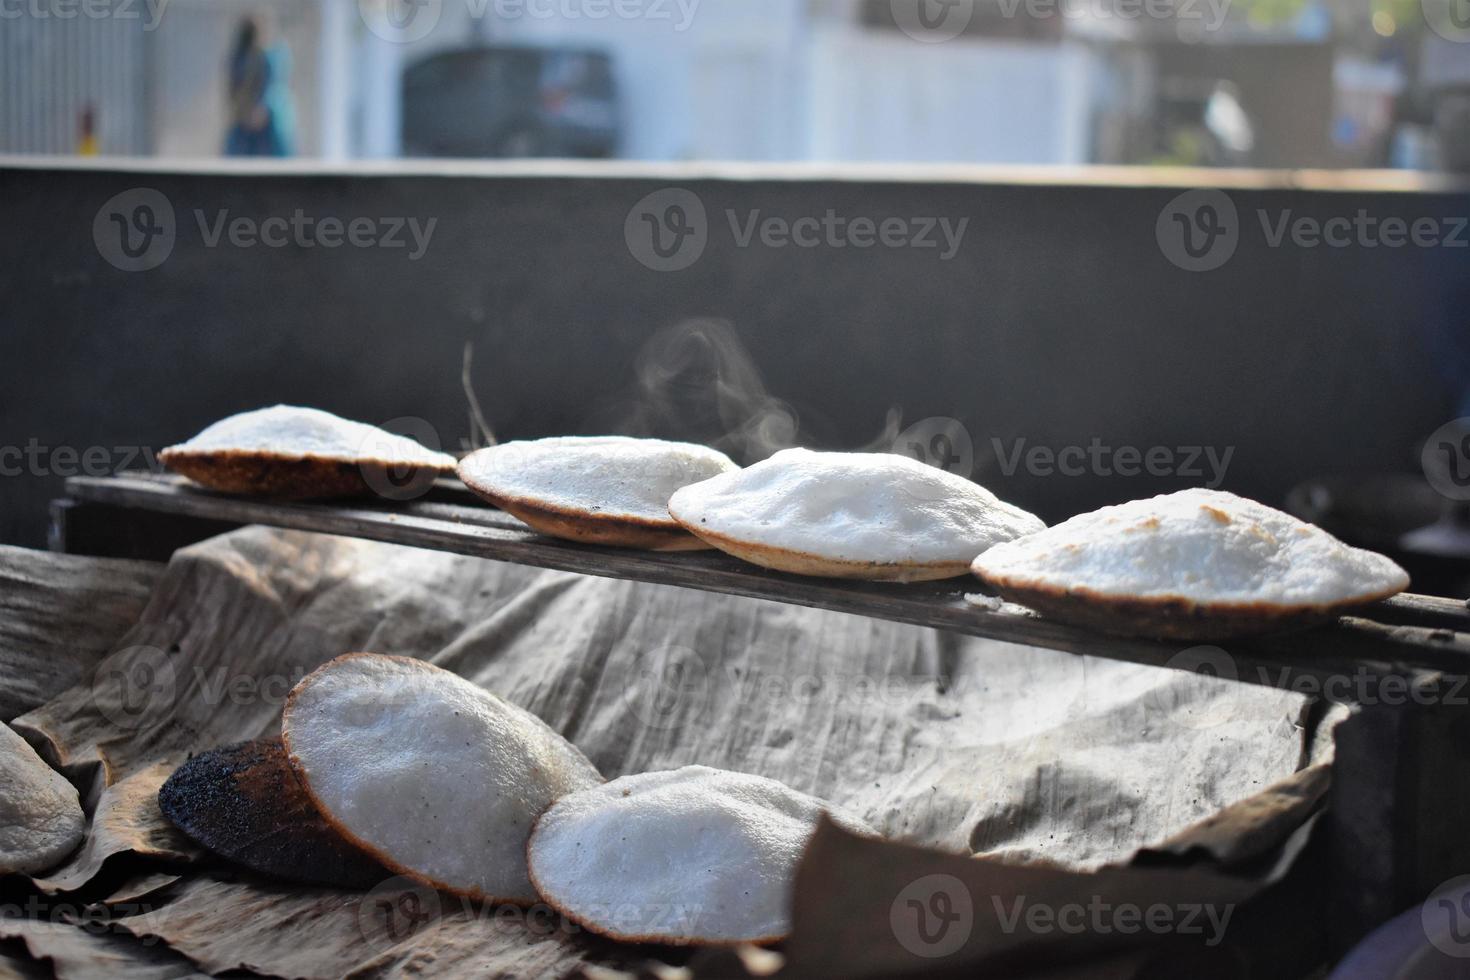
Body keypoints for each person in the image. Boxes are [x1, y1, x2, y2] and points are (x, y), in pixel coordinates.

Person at [224, 14, 296, 157]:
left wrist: (260, 110)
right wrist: (244, 113)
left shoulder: (269, 58)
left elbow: (271, 87)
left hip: (266, 126)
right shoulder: (238, 58)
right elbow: (233, 91)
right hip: (244, 125)